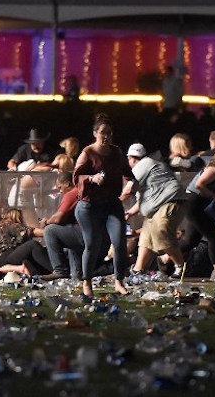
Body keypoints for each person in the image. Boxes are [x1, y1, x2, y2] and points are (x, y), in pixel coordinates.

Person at [73, 113, 134, 297]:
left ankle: (119, 281)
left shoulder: (116, 152)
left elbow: (128, 172)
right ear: (95, 133)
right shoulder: (87, 153)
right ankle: (87, 282)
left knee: (119, 242)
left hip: (111, 204)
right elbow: (75, 178)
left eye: (109, 133)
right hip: (90, 205)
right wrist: (92, 178)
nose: (106, 136)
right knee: (92, 244)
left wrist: (133, 181)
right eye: (102, 133)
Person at [123, 143, 187, 277]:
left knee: (160, 233)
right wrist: (129, 213)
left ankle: (180, 265)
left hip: (169, 202)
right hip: (159, 206)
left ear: (132, 159)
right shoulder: (151, 167)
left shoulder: (143, 165)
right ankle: (137, 269)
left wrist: (114, 203)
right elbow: (141, 201)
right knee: (145, 239)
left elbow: (128, 190)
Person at [39, 172, 85, 281]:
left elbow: (58, 218)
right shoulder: (80, 192)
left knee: (50, 231)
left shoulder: (71, 194)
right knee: (76, 277)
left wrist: (46, 222)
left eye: (60, 187)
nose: (60, 191)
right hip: (88, 234)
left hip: (83, 234)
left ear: (68, 184)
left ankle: (60, 270)